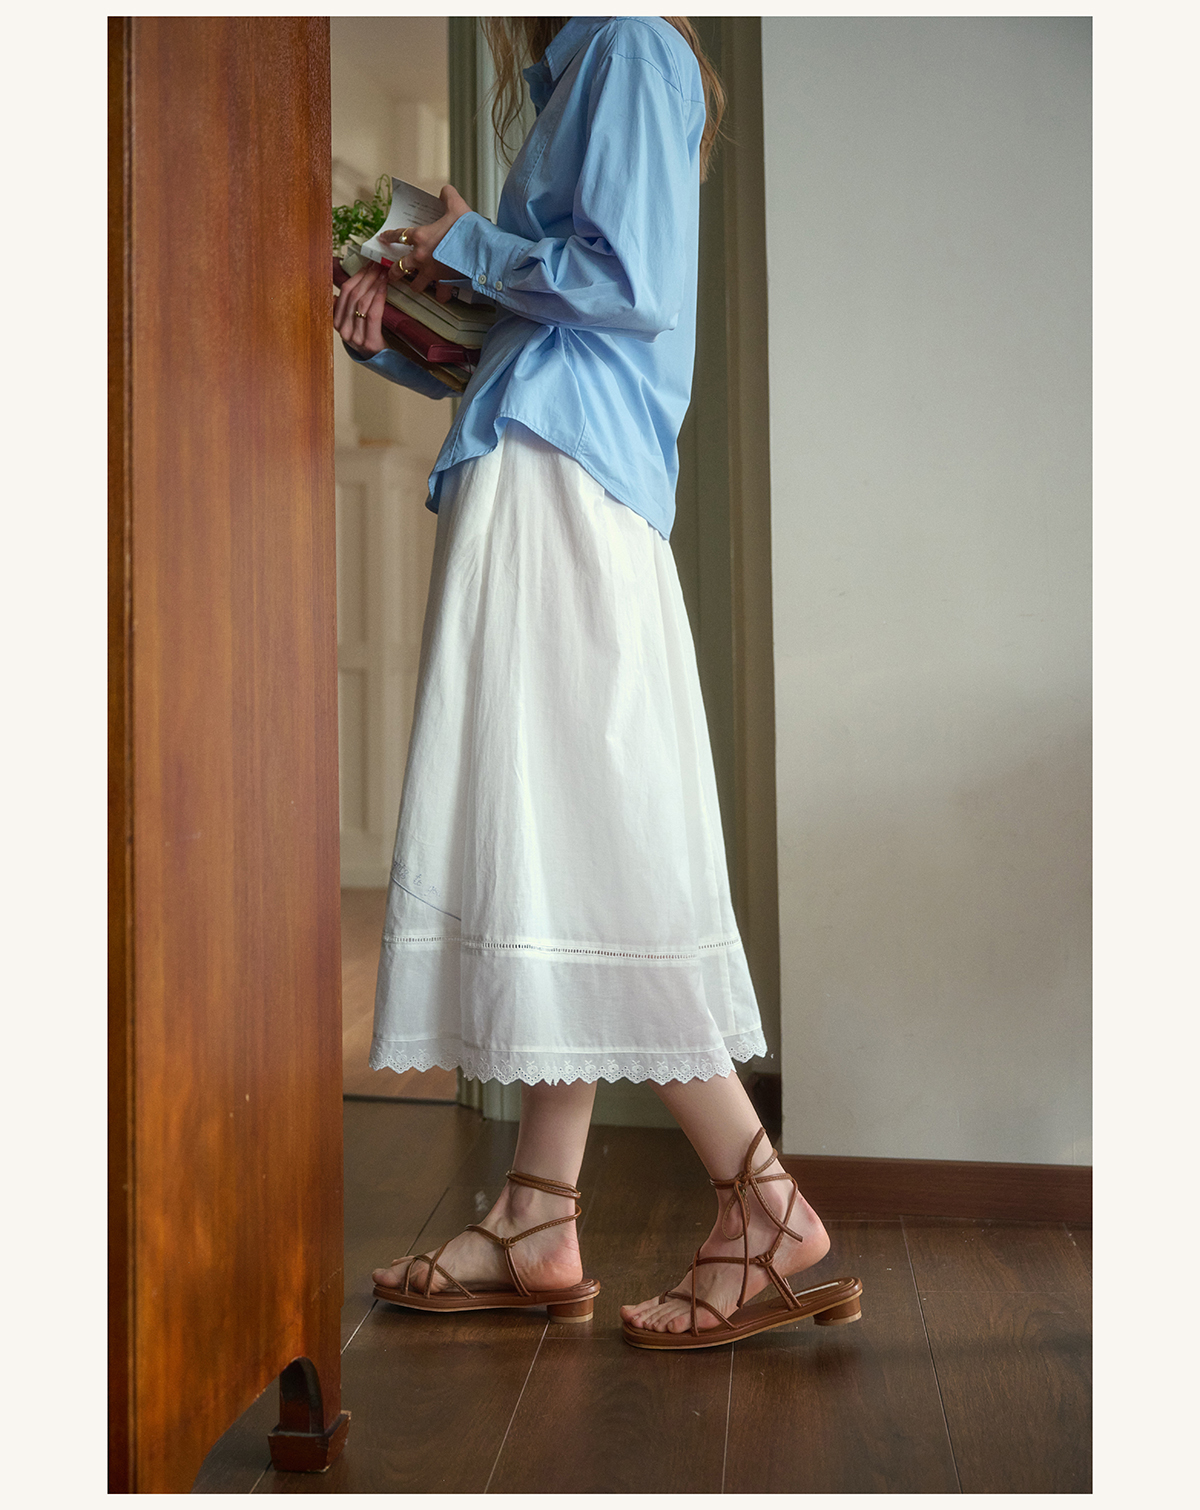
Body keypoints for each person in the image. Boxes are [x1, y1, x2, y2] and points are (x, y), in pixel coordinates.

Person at [332, 15, 862, 1348]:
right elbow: (554, 322)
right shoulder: (587, 64)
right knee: (565, 845)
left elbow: (626, 284)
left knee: (591, 847)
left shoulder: (626, 41)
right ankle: (537, 1212)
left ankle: (764, 1203)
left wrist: (465, 240)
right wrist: (404, 325)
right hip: (551, 468)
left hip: (561, 485)